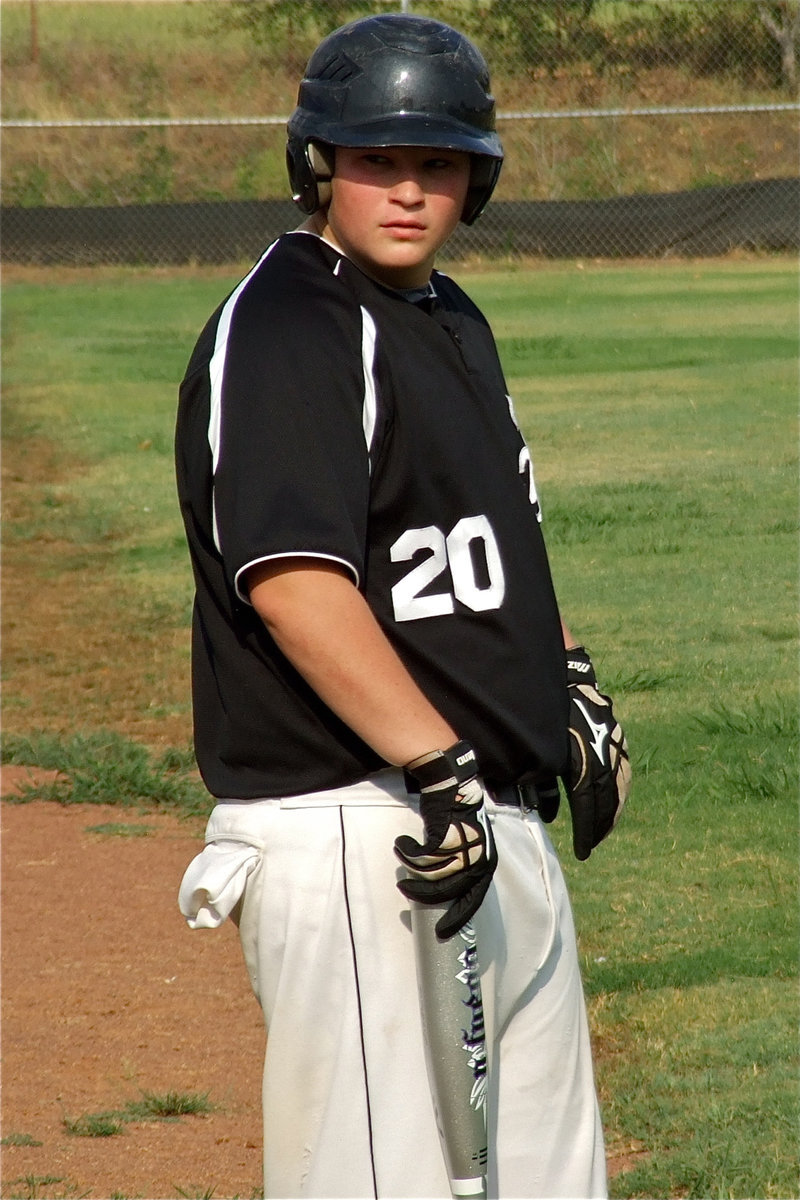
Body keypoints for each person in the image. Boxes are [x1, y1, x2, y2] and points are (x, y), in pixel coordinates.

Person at [175, 13, 630, 1200]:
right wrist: (436, 768)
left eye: (436, 164)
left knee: (544, 1179)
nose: (408, 189)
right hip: (370, 825)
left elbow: (493, 546)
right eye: (376, 160)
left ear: (475, 179)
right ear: (318, 163)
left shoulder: (448, 322)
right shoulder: (288, 326)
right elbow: (292, 579)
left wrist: (567, 678)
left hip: (481, 814)